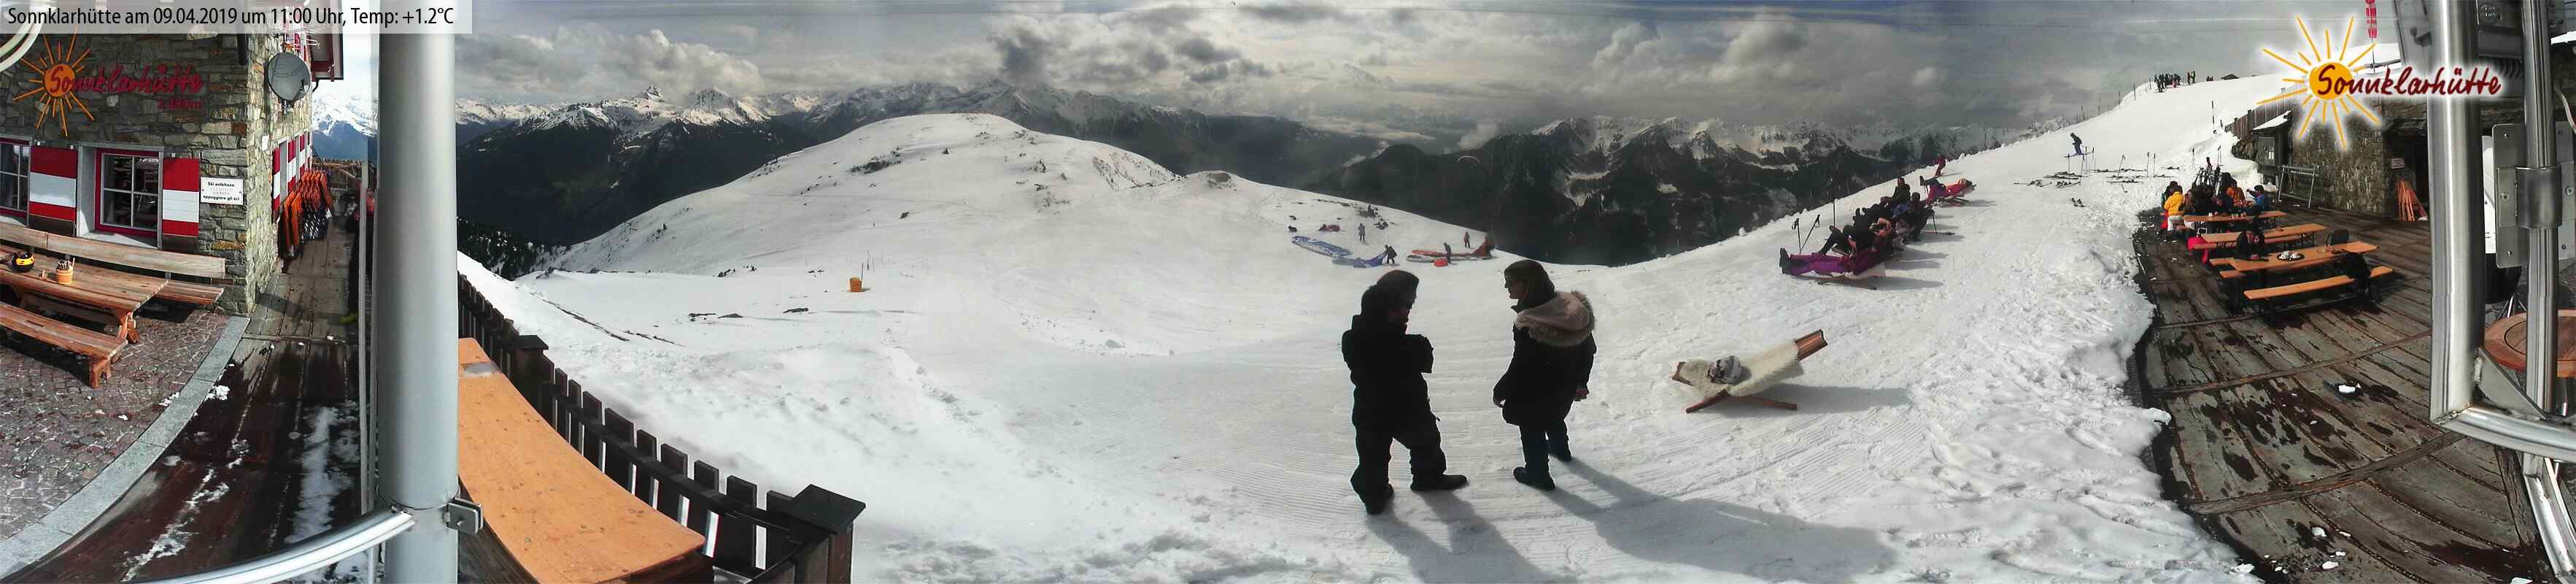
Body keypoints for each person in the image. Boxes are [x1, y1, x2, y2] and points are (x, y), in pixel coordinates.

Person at [1346, 271, 1467, 515]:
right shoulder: (1410, 344)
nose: (1410, 311)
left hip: (1370, 410)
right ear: (1391, 310)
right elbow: (1421, 360)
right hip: (1407, 408)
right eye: (1408, 305)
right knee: (1425, 443)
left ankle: (1373, 496)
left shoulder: (1352, 338)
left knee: (1372, 456)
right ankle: (1427, 479)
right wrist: (1403, 336)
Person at [1492, 261, 1596, 491]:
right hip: (1565, 384)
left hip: (1535, 389)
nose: (1506, 287)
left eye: (1510, 283)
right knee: (1554, 414)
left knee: (1531, 428)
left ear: (1528, 285)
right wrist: (1581, 381)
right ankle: (1561, 449)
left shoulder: (1529, 324)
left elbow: (1521, 365)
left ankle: (1538, 475)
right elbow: (1588, 349)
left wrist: (1501, 390)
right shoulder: (1571, 310)